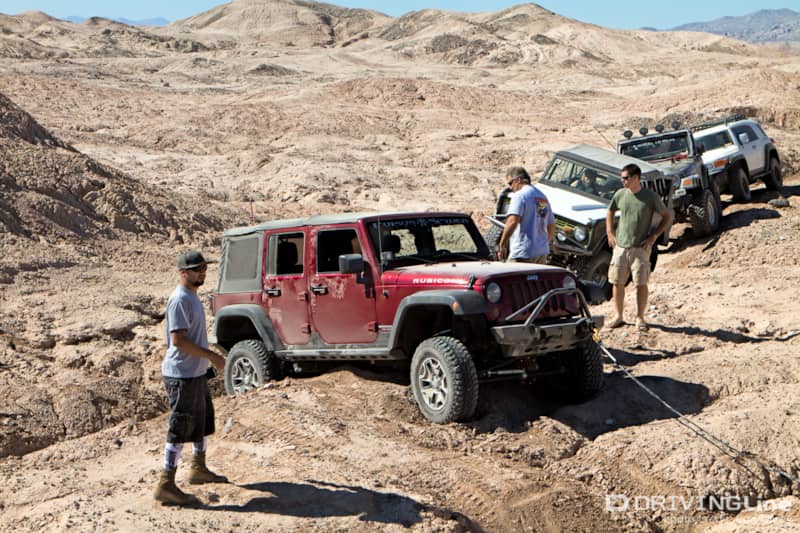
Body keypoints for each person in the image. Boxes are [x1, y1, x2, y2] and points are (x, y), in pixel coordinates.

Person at [154, 250, 228, 505]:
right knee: (180, 427)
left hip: (194, 372)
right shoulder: (180, 300)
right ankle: (166, 483)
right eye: (197, 269)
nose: (202, 273)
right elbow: (179, 340)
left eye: (204, 268)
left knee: (202, 420)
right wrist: (211, 356)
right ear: (183, 272)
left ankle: (198, 468)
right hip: (181, 375)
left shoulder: (193, 296)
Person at [605, 164, 673, 331]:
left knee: (640, 283)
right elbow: (610, 211)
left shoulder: (650, 197)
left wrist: (654, 236)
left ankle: (640, 318)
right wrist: (610, 232)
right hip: (620, 247)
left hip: (640, 249)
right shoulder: (620, 194)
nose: (623, 181)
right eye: (622, 178)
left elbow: (667, 216)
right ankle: (618, 316)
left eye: (626, 178)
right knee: (617, 282)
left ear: (636, 178)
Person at [498, 166, 555, 263]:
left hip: (523, 252)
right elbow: (551, 225)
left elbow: (512, 221)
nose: (510, 187)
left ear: (518, 180)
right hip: (541, 254)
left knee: (510, 278)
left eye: (510, 183)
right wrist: (544, 244)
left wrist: (502, 244)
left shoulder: (520, 196)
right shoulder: (542, 197)